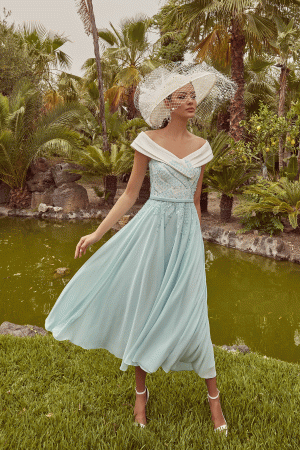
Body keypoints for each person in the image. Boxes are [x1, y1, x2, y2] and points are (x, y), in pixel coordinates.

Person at [45, 62, 236, 436]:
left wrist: (197, 245)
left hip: (185, 237)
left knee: (195, 313)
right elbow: (131, 194)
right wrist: (98, 233)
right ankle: (140, 394)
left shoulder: (202, 148)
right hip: (151, 232)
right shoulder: (146, 140)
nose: (191, 101)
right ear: (168, 103)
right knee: (146, 308)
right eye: (183, 96)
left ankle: (215, 400)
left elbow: (196, 202)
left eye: (193, 95)